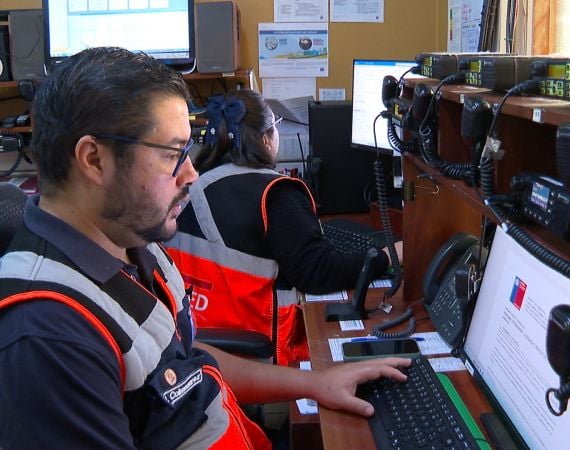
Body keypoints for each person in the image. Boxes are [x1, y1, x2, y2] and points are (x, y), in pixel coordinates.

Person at [0, 47, 410, 449]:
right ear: (94, 160)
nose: (191, 173)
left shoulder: (131, 244)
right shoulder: (47, 339)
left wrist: (315, 383)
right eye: (173, 155)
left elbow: (186, 360)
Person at [165, 89, 403, 366]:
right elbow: (318, 274)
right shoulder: (275, 193)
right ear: (266, 138)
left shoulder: (192, 183)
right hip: (258, 351)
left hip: (194, 337)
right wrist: (387, 257)